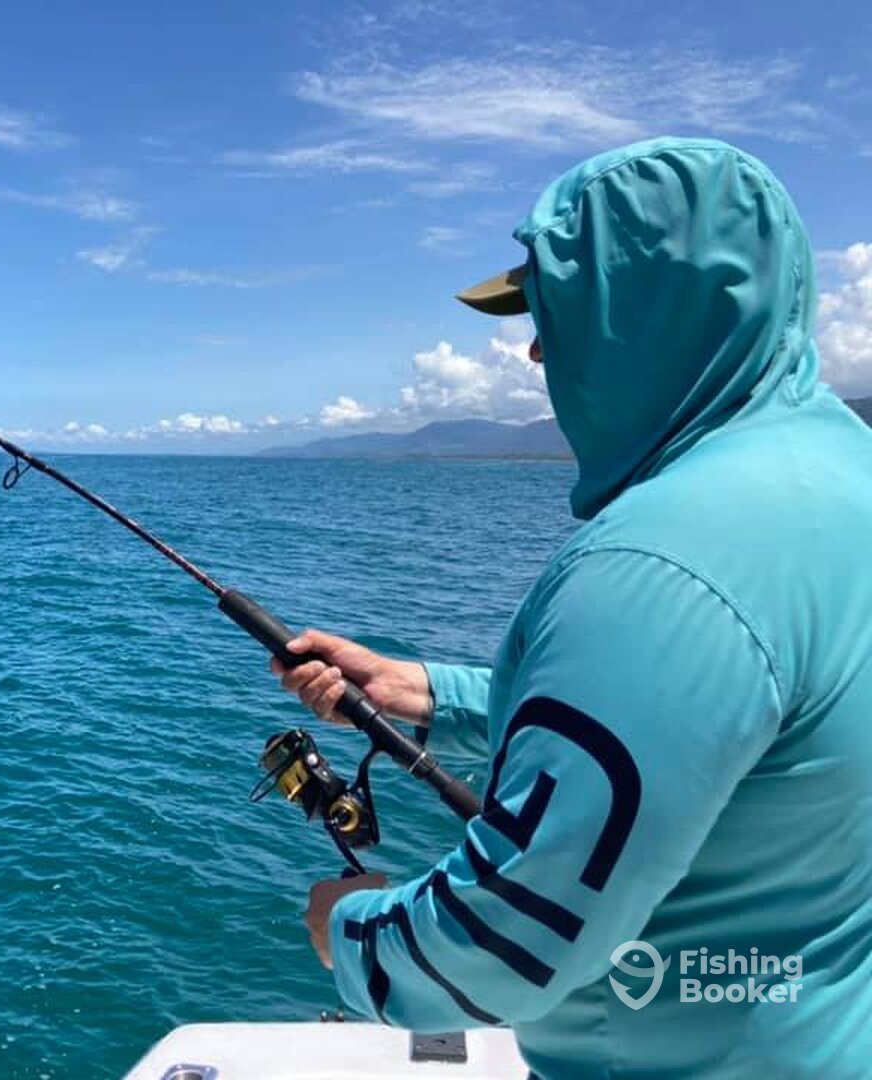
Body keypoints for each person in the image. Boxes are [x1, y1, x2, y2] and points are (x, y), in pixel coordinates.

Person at [273, 136, 872, 1078]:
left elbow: (506, 943)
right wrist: (419, 692)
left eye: (554, 308)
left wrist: (350, 928)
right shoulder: (842, 480)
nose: (535, 347)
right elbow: (724, 727)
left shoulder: (662, 562)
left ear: (636, 314)